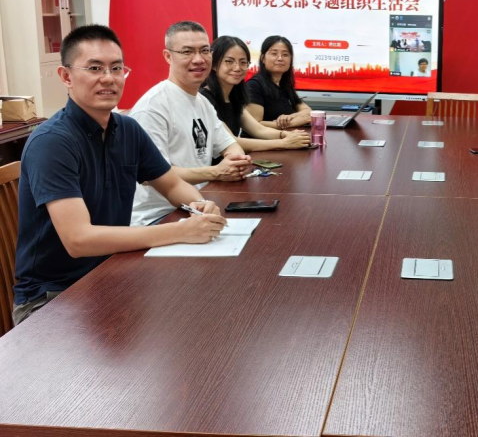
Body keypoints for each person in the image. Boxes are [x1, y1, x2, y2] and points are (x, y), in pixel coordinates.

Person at [13, 26, 226, 325]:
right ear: (66, 76)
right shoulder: (52, 142)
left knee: (198, 313)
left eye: (116, 68)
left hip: (112, 272)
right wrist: (181, 231)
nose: (108, 78)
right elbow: (79, 240)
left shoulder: (128, 129)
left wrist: (199, 205)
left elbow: (172, 184)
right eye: (94, 68)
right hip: (53, 298)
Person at [130, 21, 253, 226]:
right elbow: (152, 175)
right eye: (187, 52)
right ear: (168, 56)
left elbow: (230, 144)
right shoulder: (153, 107)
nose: (198, 59)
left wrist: (235, 162)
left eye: (204, 51)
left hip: (197, 206)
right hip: (158, 218)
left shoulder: (202, 102)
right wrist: (216, 172)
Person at [200, 35, 311, 151]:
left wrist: (285, 134)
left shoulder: (234, 96)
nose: (237, 68)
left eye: (243, 62)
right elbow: (230, 141)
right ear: (213, 64)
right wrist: (283, 143)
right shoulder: (204, 99)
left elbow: (258, 129)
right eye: (229, 61)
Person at [246, 35, 312, 129]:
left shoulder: (284, 85)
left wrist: (290, 117)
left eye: (285, 55)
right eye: (274, 54)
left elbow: (308, 111)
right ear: (263, 58)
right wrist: (294, 122)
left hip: (289, 136)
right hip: (266, 138)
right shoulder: (254, 85)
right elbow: (254, 124)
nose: (280, 58)